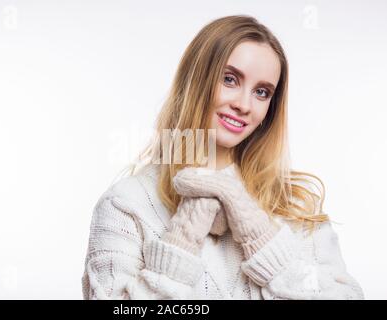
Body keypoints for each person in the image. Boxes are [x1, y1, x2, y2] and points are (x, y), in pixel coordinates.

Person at [81, 15, 364, 299]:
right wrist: (183, 236)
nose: (243, 105)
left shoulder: (294, 204)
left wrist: (260, 233)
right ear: (197, 80)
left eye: (262, 92)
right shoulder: (126, 204)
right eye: (229, 79)